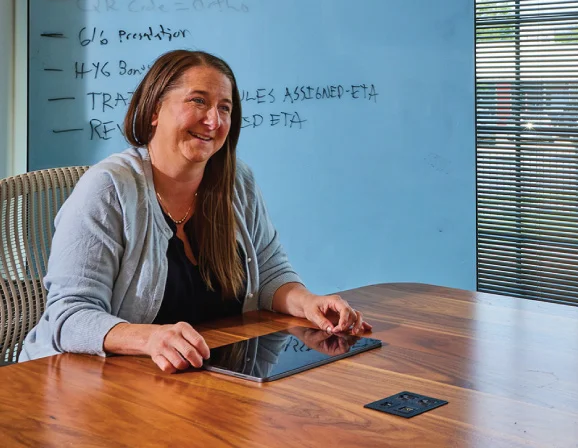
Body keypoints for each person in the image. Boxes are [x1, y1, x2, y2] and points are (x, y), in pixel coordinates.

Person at [21, 49, 371, 372]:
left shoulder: (236, 182)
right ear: (155, 109)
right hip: (87, 385)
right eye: (198, 102)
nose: (213, 121)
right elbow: (69, 317)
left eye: (225, 108)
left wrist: (308, 302)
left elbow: (269, 274)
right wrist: (149, 337)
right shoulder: (107, 189)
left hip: (198, 382)